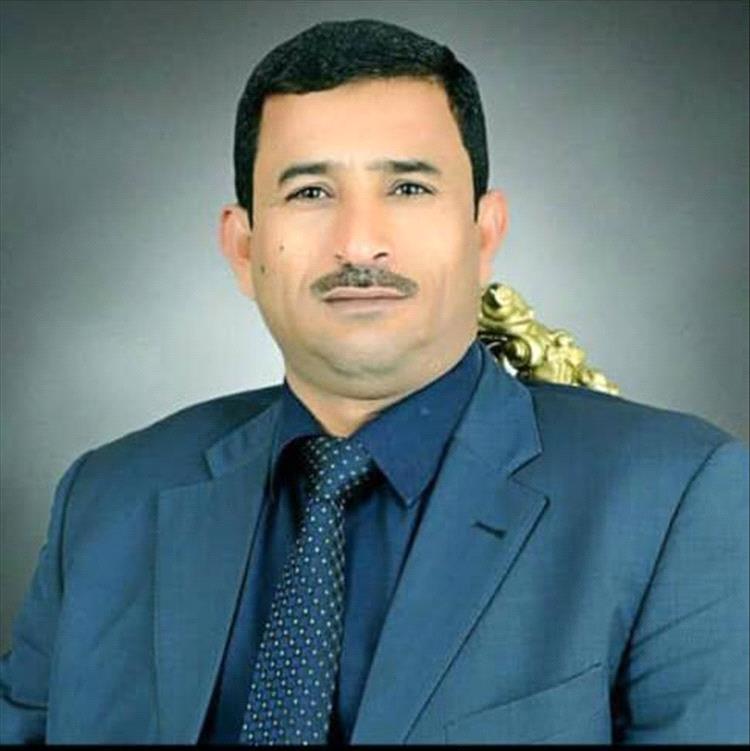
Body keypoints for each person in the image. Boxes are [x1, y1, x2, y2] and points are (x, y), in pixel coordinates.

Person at [1, 18, 747, 746]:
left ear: (484, 234)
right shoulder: (107, 498)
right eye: (310, 193)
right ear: (243, 247)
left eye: (410, 188)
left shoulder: (673, 498)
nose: (359, 242)